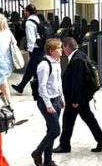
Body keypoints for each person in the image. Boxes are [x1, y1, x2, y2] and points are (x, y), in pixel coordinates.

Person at [53, 37, 102, 154]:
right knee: (88, 119)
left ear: (68, 47)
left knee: (68, 120)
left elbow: (77, 82)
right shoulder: (80, 55)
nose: (63, 50)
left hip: (77, 98)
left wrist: (75, 100)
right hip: (81, 97)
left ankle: (64, 146)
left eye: (63, 47)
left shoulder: (77, 60)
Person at [32, 38, 64, 166]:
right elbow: (42, 87)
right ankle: (37, 153)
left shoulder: (57, 62)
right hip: (47, 101)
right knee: (56, 131)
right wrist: (48, 105)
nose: (61, 50)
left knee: (50, 130)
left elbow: (59, 82)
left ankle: (48, 160)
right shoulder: (44, 65)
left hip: (57, 99)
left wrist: (62, 98)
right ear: (51, 51)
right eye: (59, 48)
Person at [12, 5, 46, 95]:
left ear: (27, 11)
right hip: (40, 47)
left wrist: (30, 49)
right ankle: (36, 89)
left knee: (31, 69)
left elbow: (31, 38)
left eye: (24, 11)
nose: (23, 13)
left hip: (35, 48)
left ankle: (21, 87)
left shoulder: (29, 23)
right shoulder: (37, 19)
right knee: (34, 69)